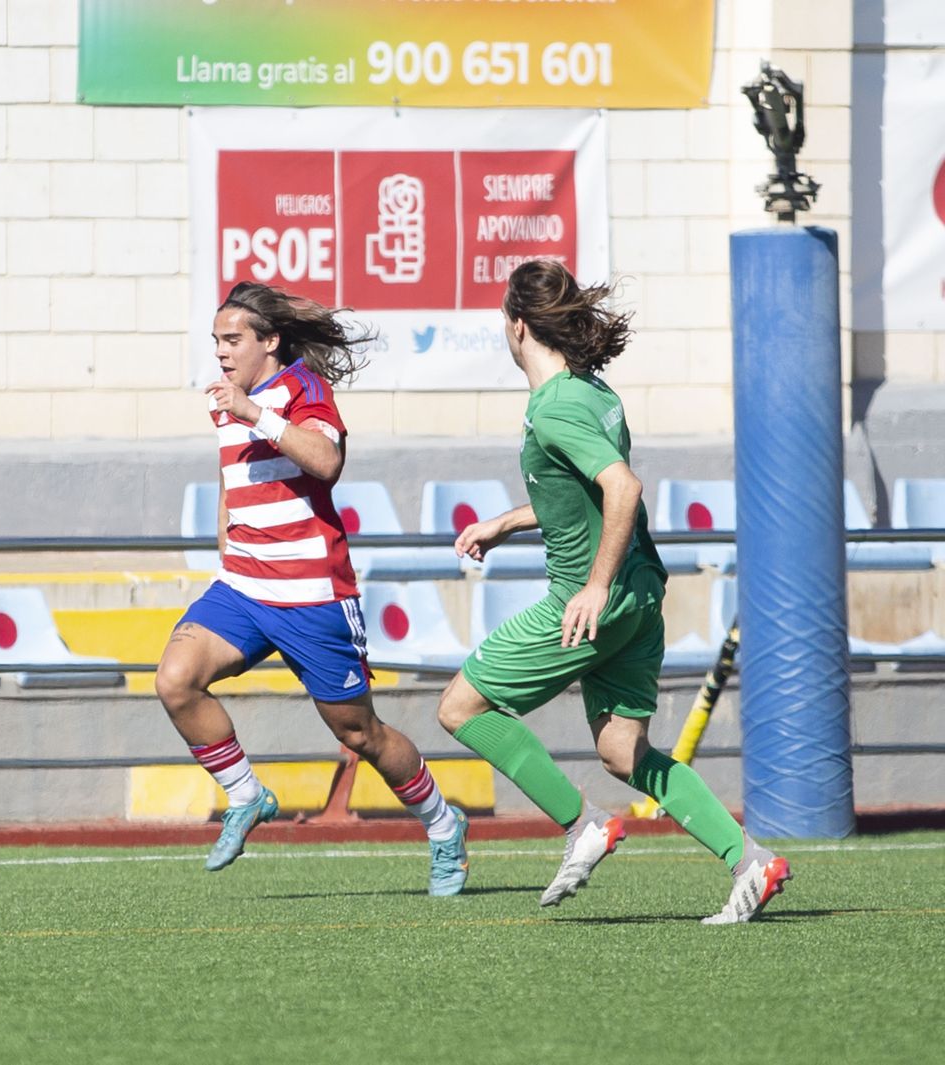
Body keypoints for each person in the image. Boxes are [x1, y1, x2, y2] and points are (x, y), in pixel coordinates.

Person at [435, 260, 791, 924]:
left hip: (593, 600)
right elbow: (588, 496)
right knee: (623, 751)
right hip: (639, 597)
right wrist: (505, 523)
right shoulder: (594, 393)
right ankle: (752, 863)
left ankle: (582, 825)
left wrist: (592, 587)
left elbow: (623, 488)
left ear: (517, 327)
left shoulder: (554, 404)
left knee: (459, 706)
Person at [156, 281, 469, 895]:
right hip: (244, 587)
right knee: (174, 679)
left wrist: (255, 413)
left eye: (232, 339)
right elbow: (231, 479)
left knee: (360, 734)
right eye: (215, 340)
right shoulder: (225, 400)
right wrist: (228, 552)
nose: (220, 351)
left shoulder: (302, 389)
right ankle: (247, 796)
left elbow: (326, 462)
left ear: (269, 341)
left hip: (313, 594)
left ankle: (442, 826)